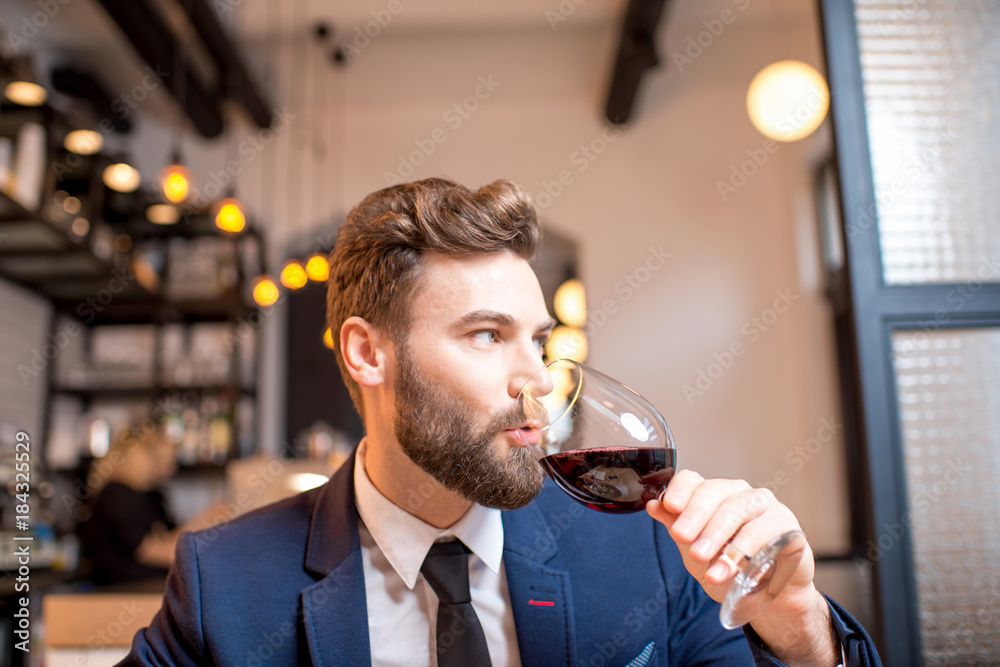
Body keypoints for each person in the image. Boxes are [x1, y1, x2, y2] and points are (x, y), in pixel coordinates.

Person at [119, 178, 880, 665]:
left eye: (539, 341)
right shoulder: (224, 583)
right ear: (367, 353)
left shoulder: (643, 547)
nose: (539, 381)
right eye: (487, 334)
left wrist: (800, 628)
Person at [79, 423, 230, 585]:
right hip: (125, 591)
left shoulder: (150, 496)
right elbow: (155, 552)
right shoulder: (118, 495)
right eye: (166, 460)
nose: (172, 467)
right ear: (144, 456)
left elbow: (168, 541)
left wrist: (208, 520)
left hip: (145, 587)